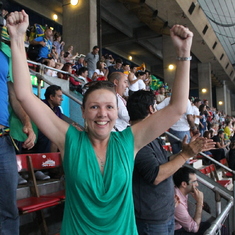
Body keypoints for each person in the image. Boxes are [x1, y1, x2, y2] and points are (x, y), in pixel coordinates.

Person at [8, 10, 196, 234]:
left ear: (117, 112)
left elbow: (177, 108)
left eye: (109, 107)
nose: (102, 114)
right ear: (84, 111)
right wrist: (17, 38)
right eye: (94, 107)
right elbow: (24, 95)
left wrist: (184, 54)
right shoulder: (69, 139)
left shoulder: (130, 140)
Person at [127, 90, 214, 235]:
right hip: (151, 220)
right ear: (150, 109)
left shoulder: (149, 136)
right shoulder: (136, 139)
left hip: (165, 214)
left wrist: (185, 154)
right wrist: (186, 154)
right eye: (155, 107)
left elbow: (164, 162)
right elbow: (156, 175)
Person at [0, 4, 36, 233]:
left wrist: (26, 122)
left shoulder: (4, 53)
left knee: (7, 209)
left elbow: (15, 94)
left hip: (2, 141)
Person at [173, 167, 210, 234]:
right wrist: (199, 202)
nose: (197, 184)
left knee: (209, 225)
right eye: (194, 182)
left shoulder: (180, 191)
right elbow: (193, 228)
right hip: (176, 231)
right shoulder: (177, 202)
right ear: (184, 184)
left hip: (182, 227)